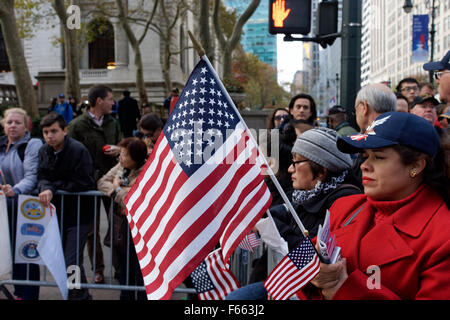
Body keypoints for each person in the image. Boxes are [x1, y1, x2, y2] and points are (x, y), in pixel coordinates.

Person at [299, 112, 450, 300]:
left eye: (378, 157)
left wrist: (345, 290)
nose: (365, 165)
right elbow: (300, 269)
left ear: (417, 166)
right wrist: (313, 273)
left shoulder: (442, 236)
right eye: (365, 156)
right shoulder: (346, 207)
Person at [226, 127, 362, 300]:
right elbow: (285, 212)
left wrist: (267, 226)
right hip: (296, 286)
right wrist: (262, 217)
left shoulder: (344, 201)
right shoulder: (308, 195)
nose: (291, 169)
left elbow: (312, 254)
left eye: (297, 162)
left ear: (321, 170)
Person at [37, 112, 96, 300]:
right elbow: (42, 176)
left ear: (65, 130)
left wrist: (53, 188)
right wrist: (47, 187)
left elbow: (84, 181)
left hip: (79, 214)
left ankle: (77, 296)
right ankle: (80, 293)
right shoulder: (44, 150)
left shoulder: (78, 150)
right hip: (57, 214)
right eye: (45, 132)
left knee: (72, 261)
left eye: (53, 131)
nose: (49, 136)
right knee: (66, 260)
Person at [68, 84, 120, 284]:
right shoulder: (77, 125)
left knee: (117, 227)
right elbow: (70, 154)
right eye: (110, 99)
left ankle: (119, 267)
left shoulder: (112, 123)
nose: (112, 103)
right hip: (87, 183)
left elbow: (121, 145)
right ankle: (98, 269)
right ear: (99, 101)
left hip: (109, 182)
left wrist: (118, 149)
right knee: (91, 230)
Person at [97, 137, 148, 300]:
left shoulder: (148, 170)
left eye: (125, 155)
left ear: (135, 158)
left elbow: (135, 198)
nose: (120, 157)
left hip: (141, 227)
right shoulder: (121, 167)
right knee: (122, 266)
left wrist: (118, 188)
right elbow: (102, 182)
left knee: (139, 267)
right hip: (121, 224)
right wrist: (117, 192)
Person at [0, 108, 43, 300]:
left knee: (26, 254)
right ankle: (17, 293)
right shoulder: (1, 145)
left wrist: (14, 190)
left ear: (26, 126)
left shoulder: (32, 144)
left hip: (26, 208)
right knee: (8, 253)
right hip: (4, 209)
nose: (13, 126)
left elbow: (31, 176)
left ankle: (27, 295)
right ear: (3, 125)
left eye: (17, 122)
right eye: (9, 122)